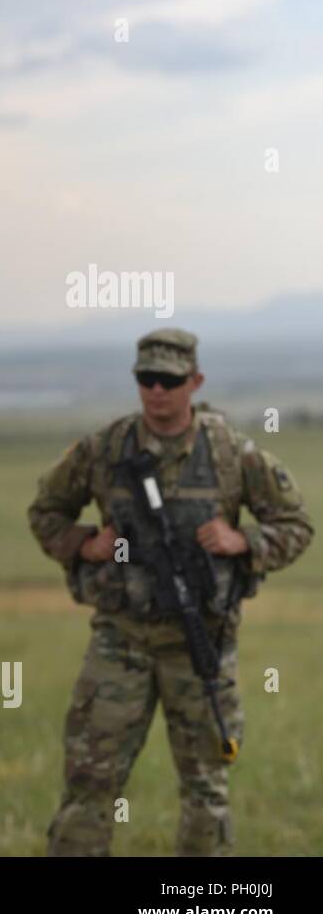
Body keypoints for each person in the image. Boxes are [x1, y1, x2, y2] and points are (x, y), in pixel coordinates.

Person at [29, 328, 313, 856]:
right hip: (122, 641)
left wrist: (243, 540)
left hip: (200, 644)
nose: (157, 390)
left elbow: (296, 524)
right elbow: (46, 512)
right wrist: (88, 543)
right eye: (147, 379)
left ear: (195, 381)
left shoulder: (231, 452)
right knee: (89, 783)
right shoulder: (104, 449)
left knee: (207, 789)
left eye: (170, 380)